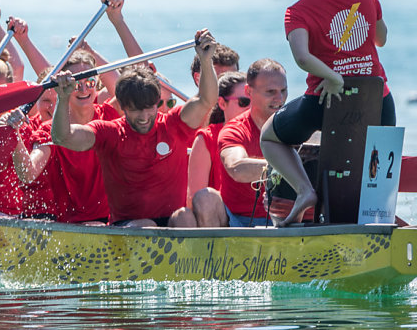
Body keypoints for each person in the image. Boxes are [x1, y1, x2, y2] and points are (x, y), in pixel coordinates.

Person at [260, 0, 395, 227]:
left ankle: (305, 191)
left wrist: (334, 77)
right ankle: (380, 215)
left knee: (269, 137)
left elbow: (302, 58)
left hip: (325, 100)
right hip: (378, 101)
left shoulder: (296, 12)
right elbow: (381, 39)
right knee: (379, 159)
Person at [50, 29, 219, 228]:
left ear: (157, 102)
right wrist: (62, 98)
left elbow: (206, 100)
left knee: (185, 216)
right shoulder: (109, 133)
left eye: (149, 109)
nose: (144, 117)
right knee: (147, 225)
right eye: (135, 110)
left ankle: (195, 259)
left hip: (172, 223)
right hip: (129, 226)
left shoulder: (173, 124)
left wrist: (206, 60)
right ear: (121, 106)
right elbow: (63, 137)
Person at [10, 50, 119, 223]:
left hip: (113, 221)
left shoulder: (110, 114)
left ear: (98, 84)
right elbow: (27, 174)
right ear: (66, 87)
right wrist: (13, 135)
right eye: (76, 83)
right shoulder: (49, 130)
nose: (83, 88)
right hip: (72, 224)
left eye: (90, 81)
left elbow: (124, 86)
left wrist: (91, 48)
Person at [193, 59, 288, 227]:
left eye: (283, 91)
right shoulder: (234, 130)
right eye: (270, 92)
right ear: (249, 92)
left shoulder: (296, 125)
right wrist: (288, 169)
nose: (279, 98)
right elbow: (236, 167)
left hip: (288, 218)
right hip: (239, 221)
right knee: (205, 197)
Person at [186, 71, 247, 206]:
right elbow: (194, 200)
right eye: (244, 102)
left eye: (255, 102)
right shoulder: (206, 139)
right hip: (221, 221)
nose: (250, 108)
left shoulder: (266, 135)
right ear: (222, 103)